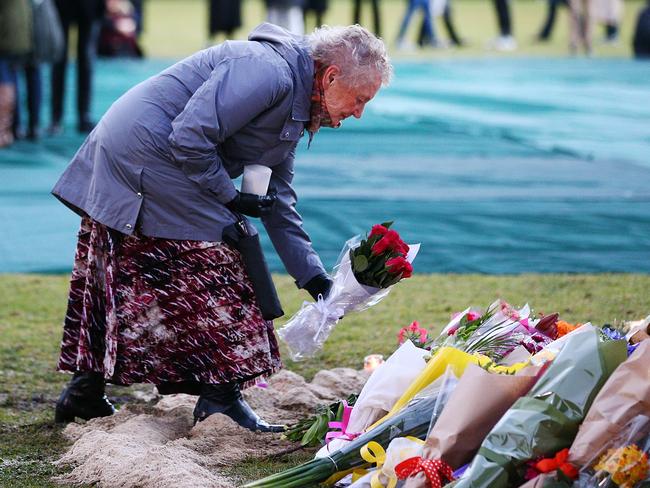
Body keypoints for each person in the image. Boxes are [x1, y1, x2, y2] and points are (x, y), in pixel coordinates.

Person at [51, 23, 392, 432]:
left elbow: (278, 201)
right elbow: (189, 137)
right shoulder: (267, 72)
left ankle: (85, 392)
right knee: (225, 266)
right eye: (359, 100)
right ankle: (220, 399)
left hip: (160, 159)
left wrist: (314, 278)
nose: (358, 113)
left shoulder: (297, 101)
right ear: (331, 76)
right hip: (142, 157)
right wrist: (230, 198)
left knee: (135, 271)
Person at [49, 0, 105, 135]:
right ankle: (57, 118)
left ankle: (82, 116)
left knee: (85, 61)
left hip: (88, 6)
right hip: (63, 6)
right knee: (60, 59)